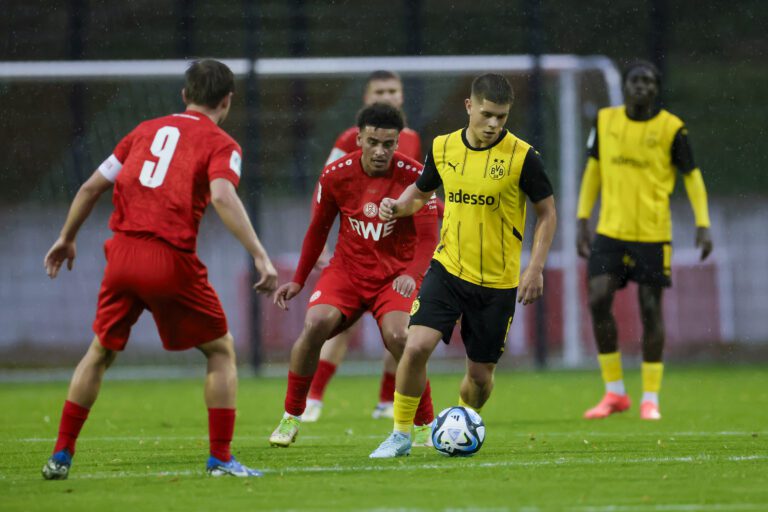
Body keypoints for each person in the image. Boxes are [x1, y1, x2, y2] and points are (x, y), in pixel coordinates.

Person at [40, 59, 278, 480]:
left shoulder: (143, 131)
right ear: (227, 101)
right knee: (221, 350)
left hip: (121, 256)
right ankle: (221, 459)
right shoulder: (222, 144)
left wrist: (66, 236)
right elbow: (223, 197)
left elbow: (91, 186)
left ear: (184, 95)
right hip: (168, 259)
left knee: (100, 351)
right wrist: (259, 253)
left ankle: (61, 454)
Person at [369, 73, 557, 458]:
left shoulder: (523, 157)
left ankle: (462, 420)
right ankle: (401, 434)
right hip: (448, 269)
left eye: (502, 118)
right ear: (469, 106)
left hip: (497, 283)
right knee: (415, 345)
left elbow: (548, 213)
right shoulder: (443, 148)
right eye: (487, 114)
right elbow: (421, 192)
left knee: (480, 377)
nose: (493, 124)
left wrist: (535, 268)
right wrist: (399, 206)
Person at [268, 102, 439, 449]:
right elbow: (317, 229)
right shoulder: (335, 174)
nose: (380, 151)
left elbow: (428, 237)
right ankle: (291, 416)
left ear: (397, 143)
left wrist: (412, 273)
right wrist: (299, 280)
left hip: (394, 277)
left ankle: (424, 423)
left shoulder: (416, 177)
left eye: (388, 144)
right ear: (358, 138)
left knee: (401, 339)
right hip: (347, 273)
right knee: (315, 325)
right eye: (373, 141)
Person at [577, 60, 713, 421]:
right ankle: (615, 392)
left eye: (649, 82)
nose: (641, 87)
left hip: (652, 233)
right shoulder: (605, 121)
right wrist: (581, 219)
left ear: (656, 89)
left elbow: (693, 176)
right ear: (625, 86)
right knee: (597, 298)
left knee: (650, 310)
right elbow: (593, 170)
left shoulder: (672, 129)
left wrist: (703, 223)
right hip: (610, 230)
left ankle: (650, 396)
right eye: (636, 81)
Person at [303, 70, 425, 423]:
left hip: (399, 252)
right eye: (379, 91)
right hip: (358, 247)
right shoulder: (348, 139)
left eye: (393, 90)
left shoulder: (413, 139)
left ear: (402, 97)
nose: (387, 96)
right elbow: (325, 187)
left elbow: (419, 192)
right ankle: (314, 397)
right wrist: (321, 240)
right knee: (340, 325)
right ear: (366, 98)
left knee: (402, 329)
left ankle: (388, 400)